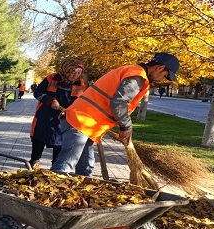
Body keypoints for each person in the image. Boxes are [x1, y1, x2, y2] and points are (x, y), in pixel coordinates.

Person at [51, 52, 180, 177]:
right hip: (82, 121)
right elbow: (119, 102)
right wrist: (126, 126)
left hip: (86, 123)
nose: (161, 79)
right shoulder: (137, 75)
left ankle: (80, 195)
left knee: (85, 168)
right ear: (160, 68)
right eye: (164, 75)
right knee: (64, 167)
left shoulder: (133, 72)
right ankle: (45, 195)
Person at [29, 59, 86, 169]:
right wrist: (51, 100)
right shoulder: (51, 78)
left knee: (59, 149)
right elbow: (37, 93)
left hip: (64, 121)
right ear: (66, 70)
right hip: (44, 117)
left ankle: (54, 173)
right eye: (73, 72)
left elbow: (81, 102)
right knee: (37, 143)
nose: (75, 75)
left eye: (78, 73)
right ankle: (33, 167)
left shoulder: (80, 84)